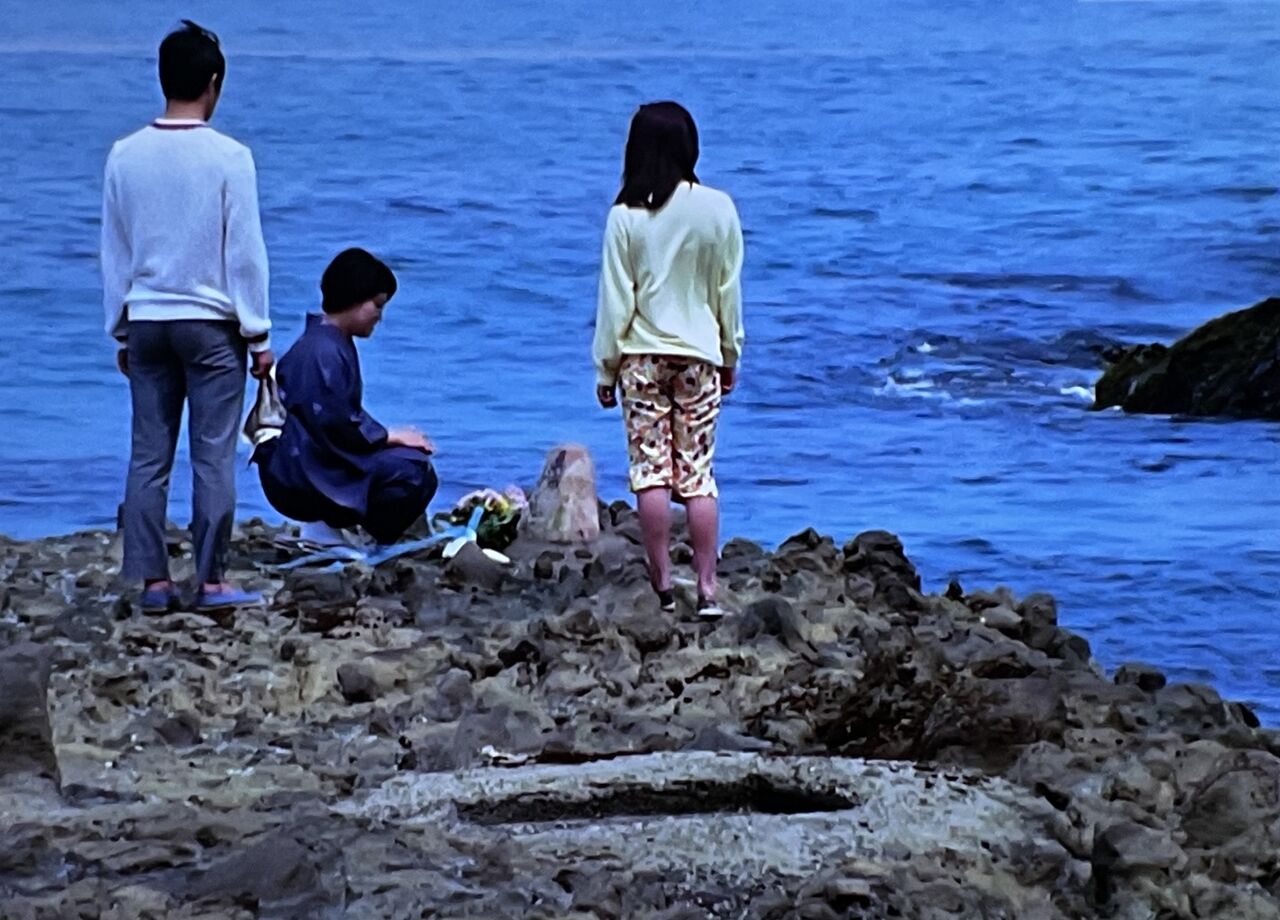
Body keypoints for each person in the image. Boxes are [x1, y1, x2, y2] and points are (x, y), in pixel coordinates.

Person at [101, 20, 273, 614]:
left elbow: (114, 251)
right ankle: (211, 580)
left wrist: (120, 327)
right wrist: (258, 334)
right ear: (214, 82)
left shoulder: (124, 155)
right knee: (212, 455)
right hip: (211, 325)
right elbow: (244, 252)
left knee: (148, 455)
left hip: (148, 319)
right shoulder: (230, 158)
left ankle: (153, 582)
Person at [592, 101, 744, 616]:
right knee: (697, 475)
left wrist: (605, 367)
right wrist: (730, 353)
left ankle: (662, 584)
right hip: (699, 356)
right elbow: (728, 292)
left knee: (650, 472)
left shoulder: (625, 216)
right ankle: (707, 587)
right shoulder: (719, 208)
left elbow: (616, 301)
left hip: (641, 358)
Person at [254, 248, 438, 547]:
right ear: (355, 298)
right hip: (301, 472)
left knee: (408, 461)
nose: (379, 316)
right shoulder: (322, 351)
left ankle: (332, 528)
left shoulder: (326, 342)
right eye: (377, 305)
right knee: (414, 472)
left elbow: (336, 417)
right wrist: (390, 436)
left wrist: (387, 438)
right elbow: (335, 422)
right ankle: (338, 530)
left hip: (303, 461)